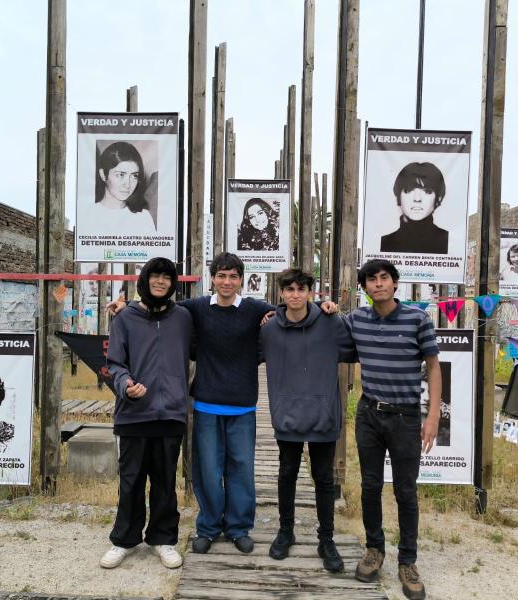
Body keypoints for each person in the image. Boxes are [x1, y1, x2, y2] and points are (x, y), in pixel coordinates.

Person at [108, 252, 337, 556]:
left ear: (241, 280)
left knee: (241, 469)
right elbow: (158, 307)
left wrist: (322, 306)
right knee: (208, 471)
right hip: (206, 403)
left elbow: (292, 307)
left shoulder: (256, 309)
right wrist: (126, 306)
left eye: (233, 276)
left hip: (243, 404)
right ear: (212, 278)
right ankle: (209, 526)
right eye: (221, 275)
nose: (227, 282)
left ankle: (239, 527)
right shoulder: (197, 308)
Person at [348, 259, 441, 600]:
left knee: (406, 489)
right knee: (370, 485)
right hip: (369, 414)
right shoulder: (356, 319)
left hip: (406, 417)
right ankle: (375, 549)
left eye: (384, 278)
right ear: (365, 287)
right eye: (371, 280)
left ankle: (408, 561)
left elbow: (433, 367)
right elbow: (328, 328)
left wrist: (432, 417)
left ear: (395, 283)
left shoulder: (418, 319)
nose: (378, 284)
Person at [259, 268, 357, 572]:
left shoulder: (330, 324)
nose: (295, 294)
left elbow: (353, 351)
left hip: (323, 415)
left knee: (324, 478)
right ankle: (285, 531)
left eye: (301, 289)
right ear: (282, 293)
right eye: (289, 289)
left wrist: (340, 313)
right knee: (287, 473)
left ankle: (326, 538)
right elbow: (247, 354)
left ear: (310, 292)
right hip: (287, 414)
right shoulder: (269, 329)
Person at [100, 257, 192, 570]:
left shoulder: (184, 317)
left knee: (165, 482)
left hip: (171, 415)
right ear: (145, 280)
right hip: (134, 414)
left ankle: (163, 539)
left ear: (173, 283)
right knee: (131, 481)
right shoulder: (125, 318)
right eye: (156, 276)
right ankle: (124, 540)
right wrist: (125, 385)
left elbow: (221, 307)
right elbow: (114, 363)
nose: (161, 282)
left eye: (167, 277)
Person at [380, 162, 449, 255]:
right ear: (398, 197)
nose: (417, 199)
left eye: (427, 191)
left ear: (439, 199)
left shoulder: (448, 242)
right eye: (408, 190)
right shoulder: (384, 243)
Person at [92, 141, 156, 234]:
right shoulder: (89, 214)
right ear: (103, 174)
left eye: (134, 176)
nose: (128, 184)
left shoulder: (143, 217)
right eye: (121, 175)